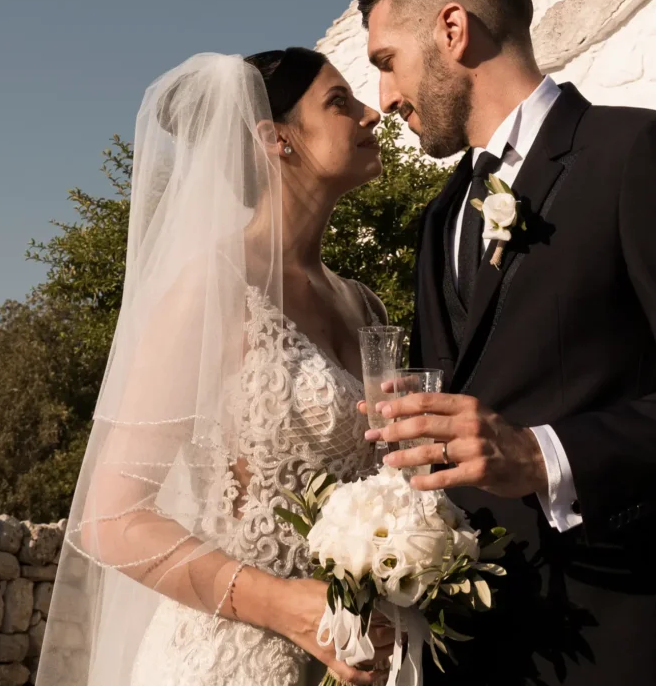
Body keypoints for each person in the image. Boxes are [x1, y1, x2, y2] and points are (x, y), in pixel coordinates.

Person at [361, 0, 656, 685]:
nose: (385, 97)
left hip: (624, 640)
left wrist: (544, 455)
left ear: (452, 30)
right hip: (472, 652)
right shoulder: (439, 217)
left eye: (386, 62)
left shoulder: (640, 153)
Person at [47, 48, 401, 686]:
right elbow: (109, 517)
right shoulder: (214, 286)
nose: (373, 114)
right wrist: (287, 607)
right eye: (340, 102)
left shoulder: (364, 303)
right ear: (276, 140)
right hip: (227, 659)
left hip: (347, 658)